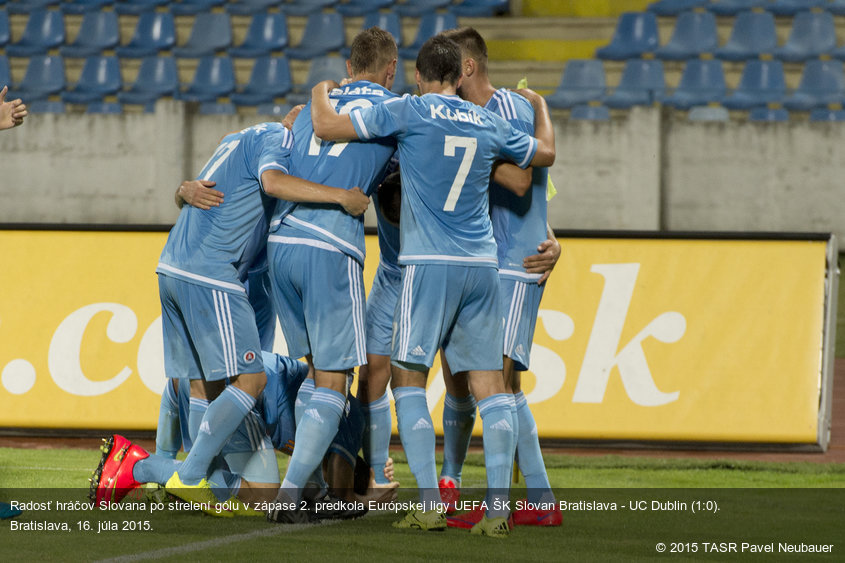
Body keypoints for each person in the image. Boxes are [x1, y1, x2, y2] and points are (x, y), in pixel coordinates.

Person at [309, 34, 555, 538]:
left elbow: (326, 124)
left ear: (419, 77)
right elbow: (544, 155)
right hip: (483, 266)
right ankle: (497, 513)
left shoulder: (410, 111)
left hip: (427, 264)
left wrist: (319, 89)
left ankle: (429, 504)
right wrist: (543, 107)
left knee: (409, 379)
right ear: (458, 76)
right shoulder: (490, 120)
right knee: (493, 389)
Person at [92, 121, 370, 515]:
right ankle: (158, 470)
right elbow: (273, 182)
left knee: (204, 384)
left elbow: (215, 186)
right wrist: (342, 197)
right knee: (250, 383)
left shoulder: (239, 139)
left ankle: (163, 471)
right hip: (212, 273)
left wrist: (181, 189)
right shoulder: (281, 145)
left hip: (172, 265)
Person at [264, 27, 400, 523]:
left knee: (315, 371)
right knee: (334, 379)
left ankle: (318, 488)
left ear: (348, 67)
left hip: (281, 243)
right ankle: (289, 498)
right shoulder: (391, 110)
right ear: (390, 70)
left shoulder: (307, 111)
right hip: (331, 245)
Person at [439, 26, 563, 529]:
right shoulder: (474, 115)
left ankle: (501, 509)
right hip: (491, 264)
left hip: (514, 264)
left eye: (450, 67)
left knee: (500, 384)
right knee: (489, 382)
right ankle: (539, 499)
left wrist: (548, 239)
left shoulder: (511, 107)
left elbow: (527, 179)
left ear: (467, 67)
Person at [90, 352, 398, 517]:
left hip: (190, 383)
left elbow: (315, 491)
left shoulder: (318, 423)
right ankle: (139, 465)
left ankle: (158, 471)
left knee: (218, 488)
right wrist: (370, 499)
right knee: (265, 495)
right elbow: (336, 498)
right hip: (236, 396)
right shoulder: (350, 415)